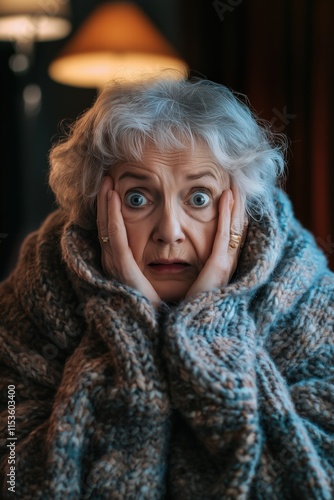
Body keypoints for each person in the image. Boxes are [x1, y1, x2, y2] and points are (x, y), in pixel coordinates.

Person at [0, 77, 333, 499]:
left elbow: (311, 481)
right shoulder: (28, 310)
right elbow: (13, 479)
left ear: (241, 207)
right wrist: (129, 330)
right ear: (95, 207)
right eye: (138, 198)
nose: (169, 232)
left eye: (198, 198)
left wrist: (209, 329)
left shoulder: (312, 310)